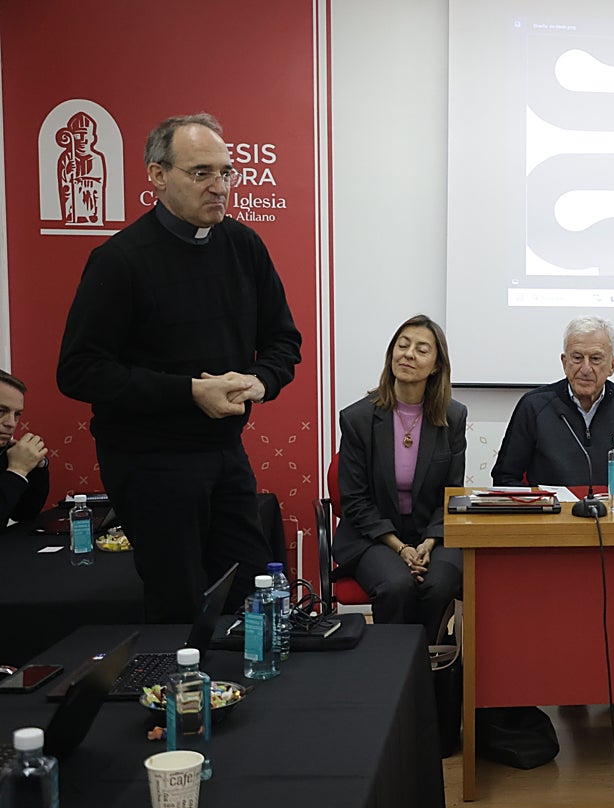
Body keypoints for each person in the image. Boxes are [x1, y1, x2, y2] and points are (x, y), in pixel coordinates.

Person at [57, 113, 302, 622]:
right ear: (157, 176)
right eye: (201, 173)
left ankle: (248, 697)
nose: (220, 187)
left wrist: (263, 380)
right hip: (150, 462)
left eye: (227, 172)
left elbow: (283, 340)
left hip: (225, 452)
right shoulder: (120, 260)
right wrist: (187, 392)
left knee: (252, 599)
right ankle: (179, 700)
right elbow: (79, 370)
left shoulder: (243, 246)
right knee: (178, 605)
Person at [333, 315, 466, 643]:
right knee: (396, 585)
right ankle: (392, 670)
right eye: (402, 345)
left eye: (421, 349)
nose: (407, 354)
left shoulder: (452, 416)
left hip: (431, 534)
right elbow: (355, 501)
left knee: (439, 584)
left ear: (436, 366)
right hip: (372, 537)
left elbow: (451, 493)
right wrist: (401, 548)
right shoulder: (358, 419)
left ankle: (430, 667)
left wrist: (428, 543)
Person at [492, 315, 614, 488]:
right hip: (551, 514)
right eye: (577, 358)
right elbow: (505, 478)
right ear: (564, 361)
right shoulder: (533, 406)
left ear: (612, 366)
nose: (585, 369)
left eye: (595, 359)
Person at [0, 371, 49, 527]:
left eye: (17, 414)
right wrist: (17, 470)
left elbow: (24, 513)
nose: (11, 423)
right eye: (1, 411)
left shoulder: (5, 452)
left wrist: (36, 466)